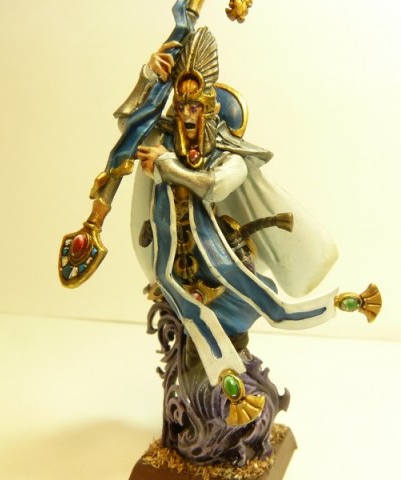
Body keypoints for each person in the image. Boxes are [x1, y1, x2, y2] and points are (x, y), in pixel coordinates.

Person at [114, 27, 344, 426]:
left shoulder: (225, 155)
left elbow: (214, 185)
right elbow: (126, 125)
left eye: (195, 107)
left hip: (220, 268)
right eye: (181, 106)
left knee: (239, 325)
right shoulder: (162, 141)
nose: (187, 115)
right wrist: (147, 76)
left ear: (208, 109)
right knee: (191, 344)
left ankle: (230, 414)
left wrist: (168, 167)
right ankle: (201, 421)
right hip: (174, 273)